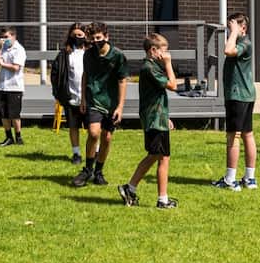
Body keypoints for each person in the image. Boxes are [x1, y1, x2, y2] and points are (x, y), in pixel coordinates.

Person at [118, 32, 179, 209]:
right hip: (154, 119)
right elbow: (173, 85)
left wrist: (165, 117)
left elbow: (157, 95)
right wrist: (168, 64)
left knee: (155, 155)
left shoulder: (151, 66)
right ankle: (162, 199)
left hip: (157, 117)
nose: (166, 55)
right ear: (153, 50)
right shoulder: (149, 68)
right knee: (162, 157)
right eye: (164, 51)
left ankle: (130, 188)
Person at [72, 22, 129, 187]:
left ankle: (99, 172)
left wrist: (120, 107)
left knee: (107, 137)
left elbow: (123, 80)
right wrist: (83, 99)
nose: (96, 41)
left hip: (110, 102)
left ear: (106, 37)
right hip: (93, 99)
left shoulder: (118, 56)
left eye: (99, 38)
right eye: (92, 38)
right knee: (94, 132)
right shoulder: (88, 55)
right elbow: (85, 76)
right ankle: (87, 169)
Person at [214, 13, 258, 191]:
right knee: (247, 134)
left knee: (234, 136)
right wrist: (233, 31)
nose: (230, 32)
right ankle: (249, 179)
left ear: (243, 28)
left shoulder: (244, 43)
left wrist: (233, 32)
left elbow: (228, 50)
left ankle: (230, 180)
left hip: (238, 95)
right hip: (245, 94)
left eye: (234, 27)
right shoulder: (242, 42)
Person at [49, 23, 87, 165]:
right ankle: (76, 153)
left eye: (80, 35)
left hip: (88, 97)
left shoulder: (90, 52)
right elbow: (55, 74)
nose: (77, 38)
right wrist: (59, 92)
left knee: (93, 129)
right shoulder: (65, 53)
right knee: (73, 126)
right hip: (71, 96)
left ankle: (95, 151)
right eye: (74, 35)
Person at [0, 27, 26, 147]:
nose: (4, 39)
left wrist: (3, 64)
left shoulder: (19, 50)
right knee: (3, 115)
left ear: (13, 36)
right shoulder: (3, 49)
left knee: (14, 115)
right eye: (2, 37)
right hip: (3, 86)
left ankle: (18, 136)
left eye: (6, 37)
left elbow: (16, 68)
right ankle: (8, 137)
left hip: (15, 87)